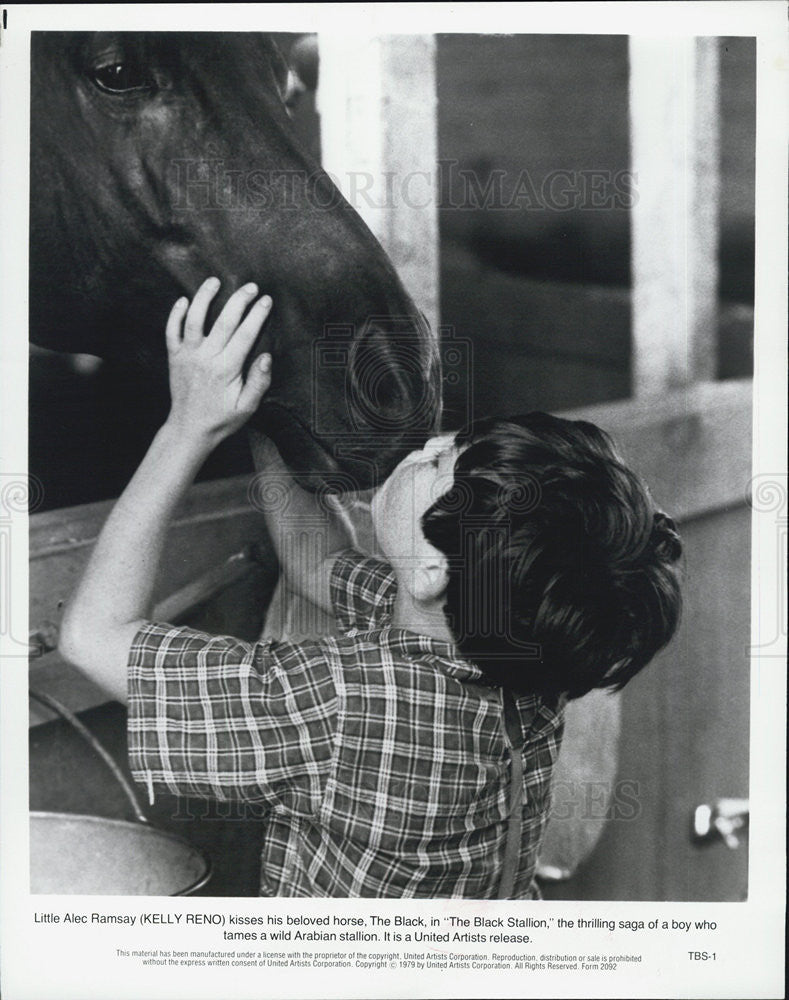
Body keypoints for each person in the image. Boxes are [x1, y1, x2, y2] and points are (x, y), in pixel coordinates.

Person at [59, 278, 683, 898]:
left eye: (440, 463)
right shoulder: (506, 650)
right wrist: (269, 415)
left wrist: (189, 429)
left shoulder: (338, 703)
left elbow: (91, 637)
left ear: (433, 570)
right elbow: (317, 560)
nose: (427, 445)